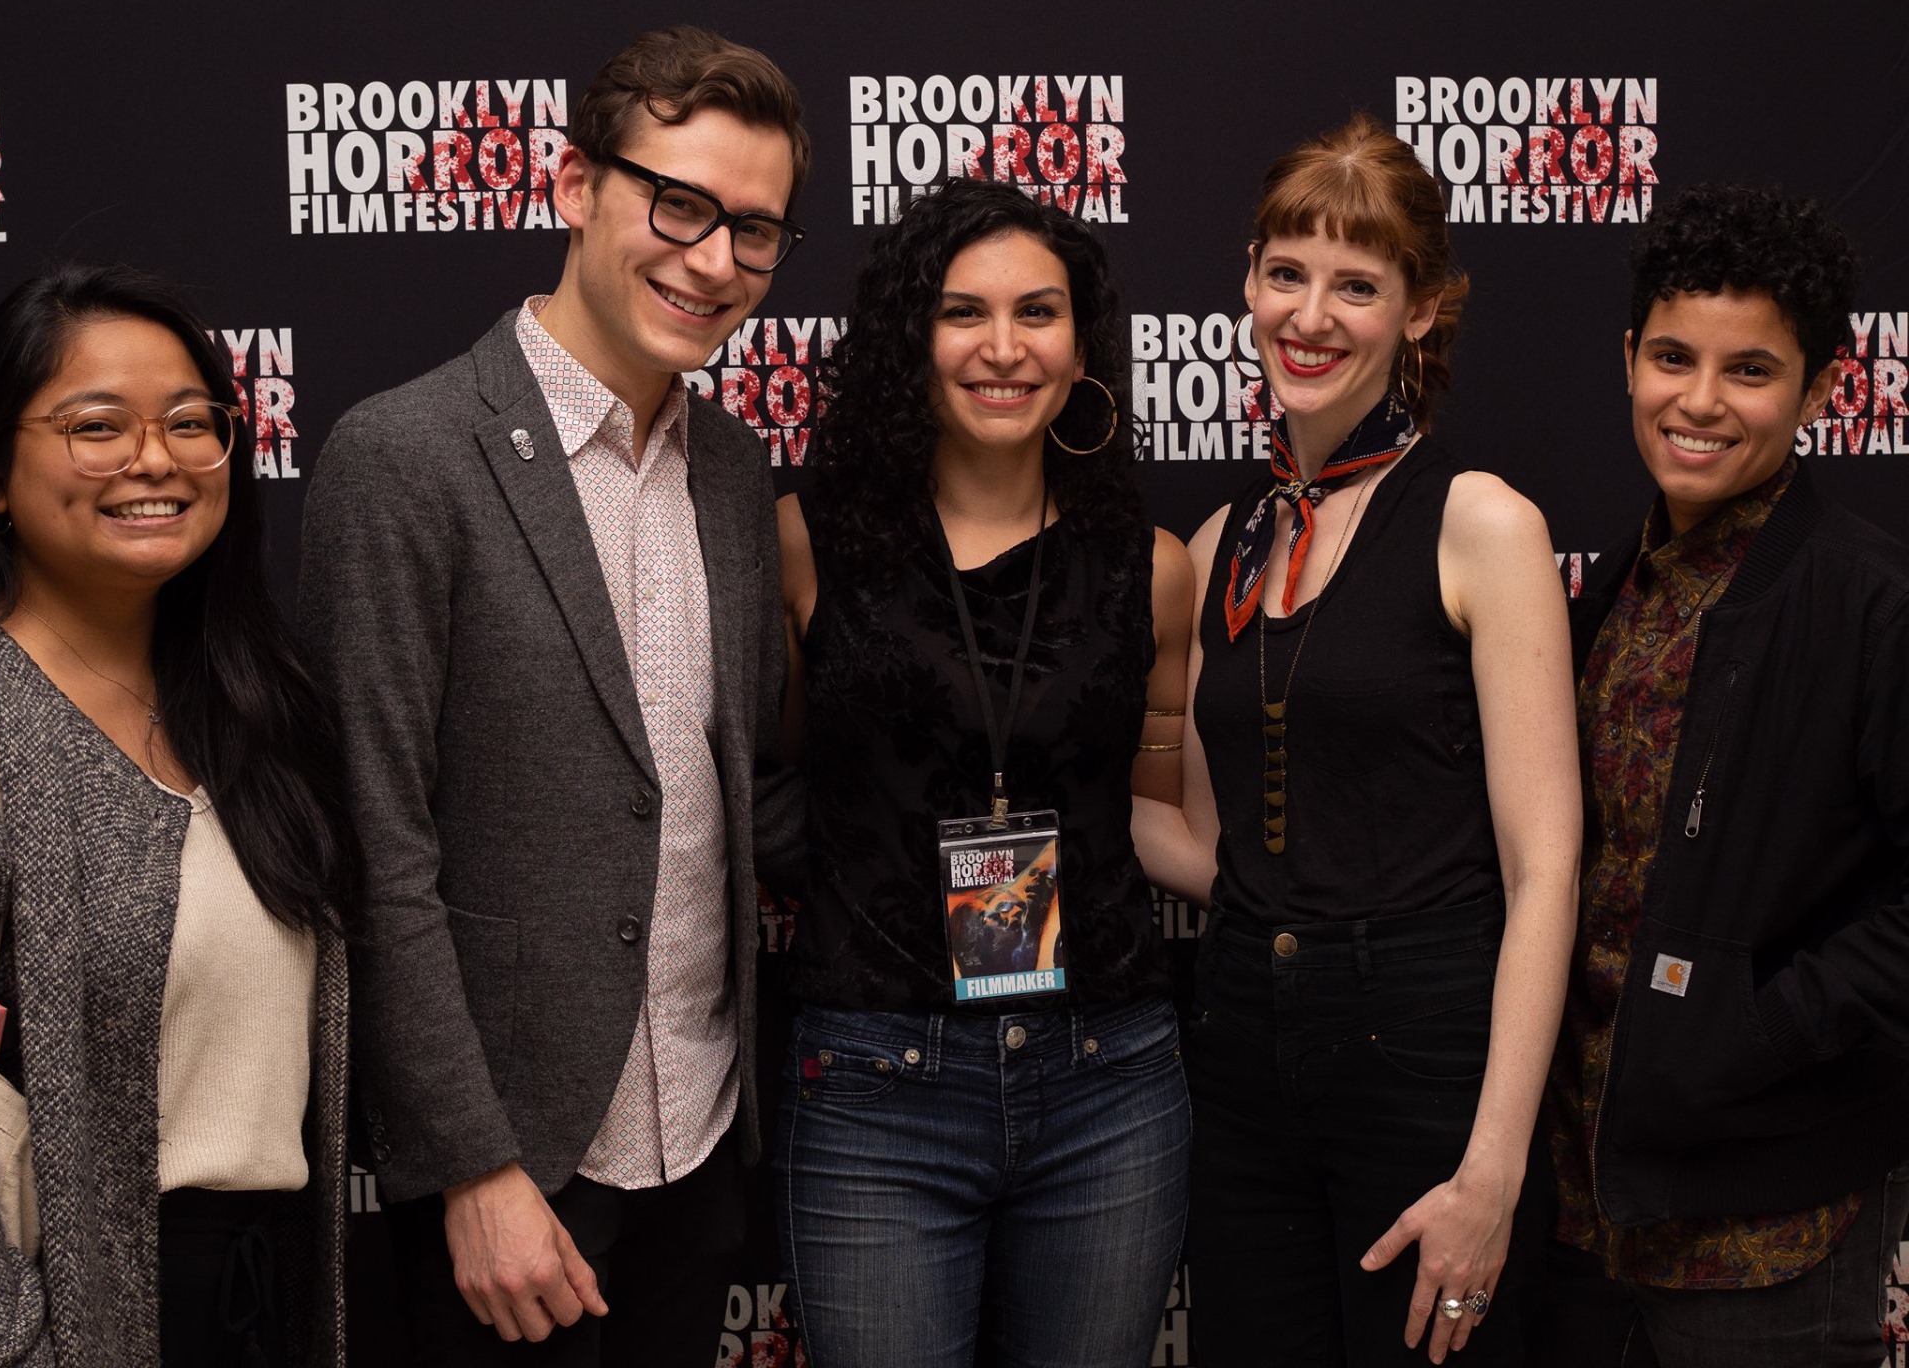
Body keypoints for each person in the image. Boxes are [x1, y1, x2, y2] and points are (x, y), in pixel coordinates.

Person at [298, 25, 807, 1366]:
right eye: (678, 203)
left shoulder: (739, 477)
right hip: (514, 1174)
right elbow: (377, 845)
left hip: (699, 1142)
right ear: (574, 184)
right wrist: (470, 1168)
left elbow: (736, 792)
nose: (713, 262)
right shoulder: (403, 456)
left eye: (754, 232)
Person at [1133, 112, 1581, 1366]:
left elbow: (1544, 872)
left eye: (1355, 285)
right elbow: (1225, 854)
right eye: (1285, 274)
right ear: (1246, 284)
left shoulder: (1478, 523)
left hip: (1424, 1061)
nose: (1309, 317)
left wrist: (1491, 1170)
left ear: (1419, 313)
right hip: (1239, 1066)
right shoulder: (1229, 542)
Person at [0, 263, 355, 1365]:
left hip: (266, 1297)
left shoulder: (260, 717)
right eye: (96, 425)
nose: (153, 459)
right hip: (80, 1312)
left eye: (191, 423)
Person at [771, 177, 1195, 1368]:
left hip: (1108, 1082)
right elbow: (767, 775)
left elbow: (1159, 812)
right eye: (962, 313)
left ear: (1081, 345)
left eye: (1037, 313)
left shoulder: (1149, 569)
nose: (1001, 349)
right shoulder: (805, 545)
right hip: (872, 1086)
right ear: (913, 336)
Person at [1537, 185, 1909, 1368]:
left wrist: (1749, 1034)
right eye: (1669, 358)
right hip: (1590, 1215)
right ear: (1627, 360)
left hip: (1772, 1225)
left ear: (1820, 389)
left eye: (1747, 371)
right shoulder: (1613, 593)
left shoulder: (1870, 601)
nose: (1696, 402)